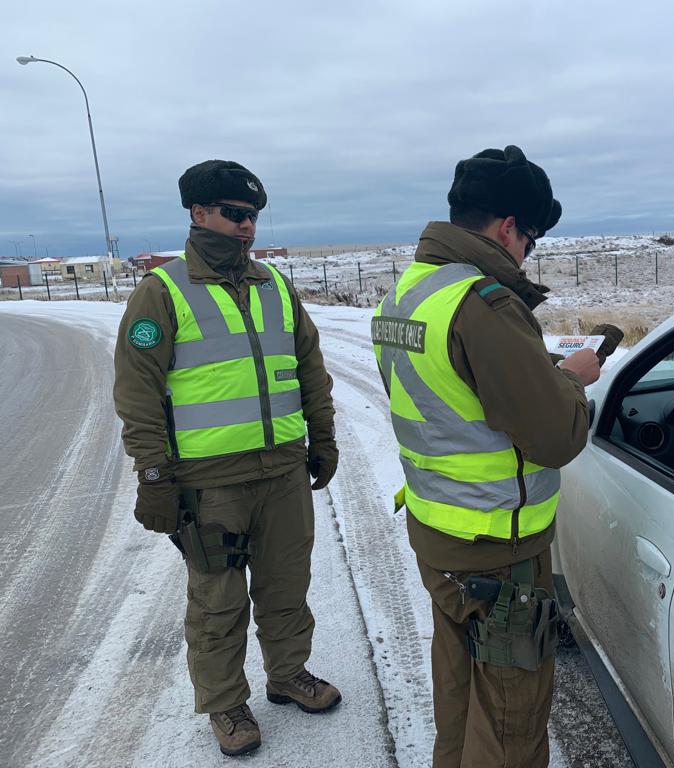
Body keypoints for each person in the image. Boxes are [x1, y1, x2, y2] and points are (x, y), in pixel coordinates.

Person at [372, 145, 601, 767]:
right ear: (508, 228)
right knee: (509, 723)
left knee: (460, 695)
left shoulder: (412, 291)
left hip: (440, 532)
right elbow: (557, 438)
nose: (528, 252)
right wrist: (573, 379)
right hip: (500, 550)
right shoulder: (486, 304)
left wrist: (539, 372)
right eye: (532, 237)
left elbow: (457, 395)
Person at [113, 160, 341, 757]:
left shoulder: (275, 286)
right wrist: (154, 474)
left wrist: (323, 438)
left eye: (253, 217)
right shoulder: (161, 292)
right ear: (198, 213)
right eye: (236, 215)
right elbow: (137, 393)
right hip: (210, 483)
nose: (246, 228)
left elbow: (310, 368)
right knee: (218, 600)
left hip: (283, 471)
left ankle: (288, 675)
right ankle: (225, 703)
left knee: (286, 586)